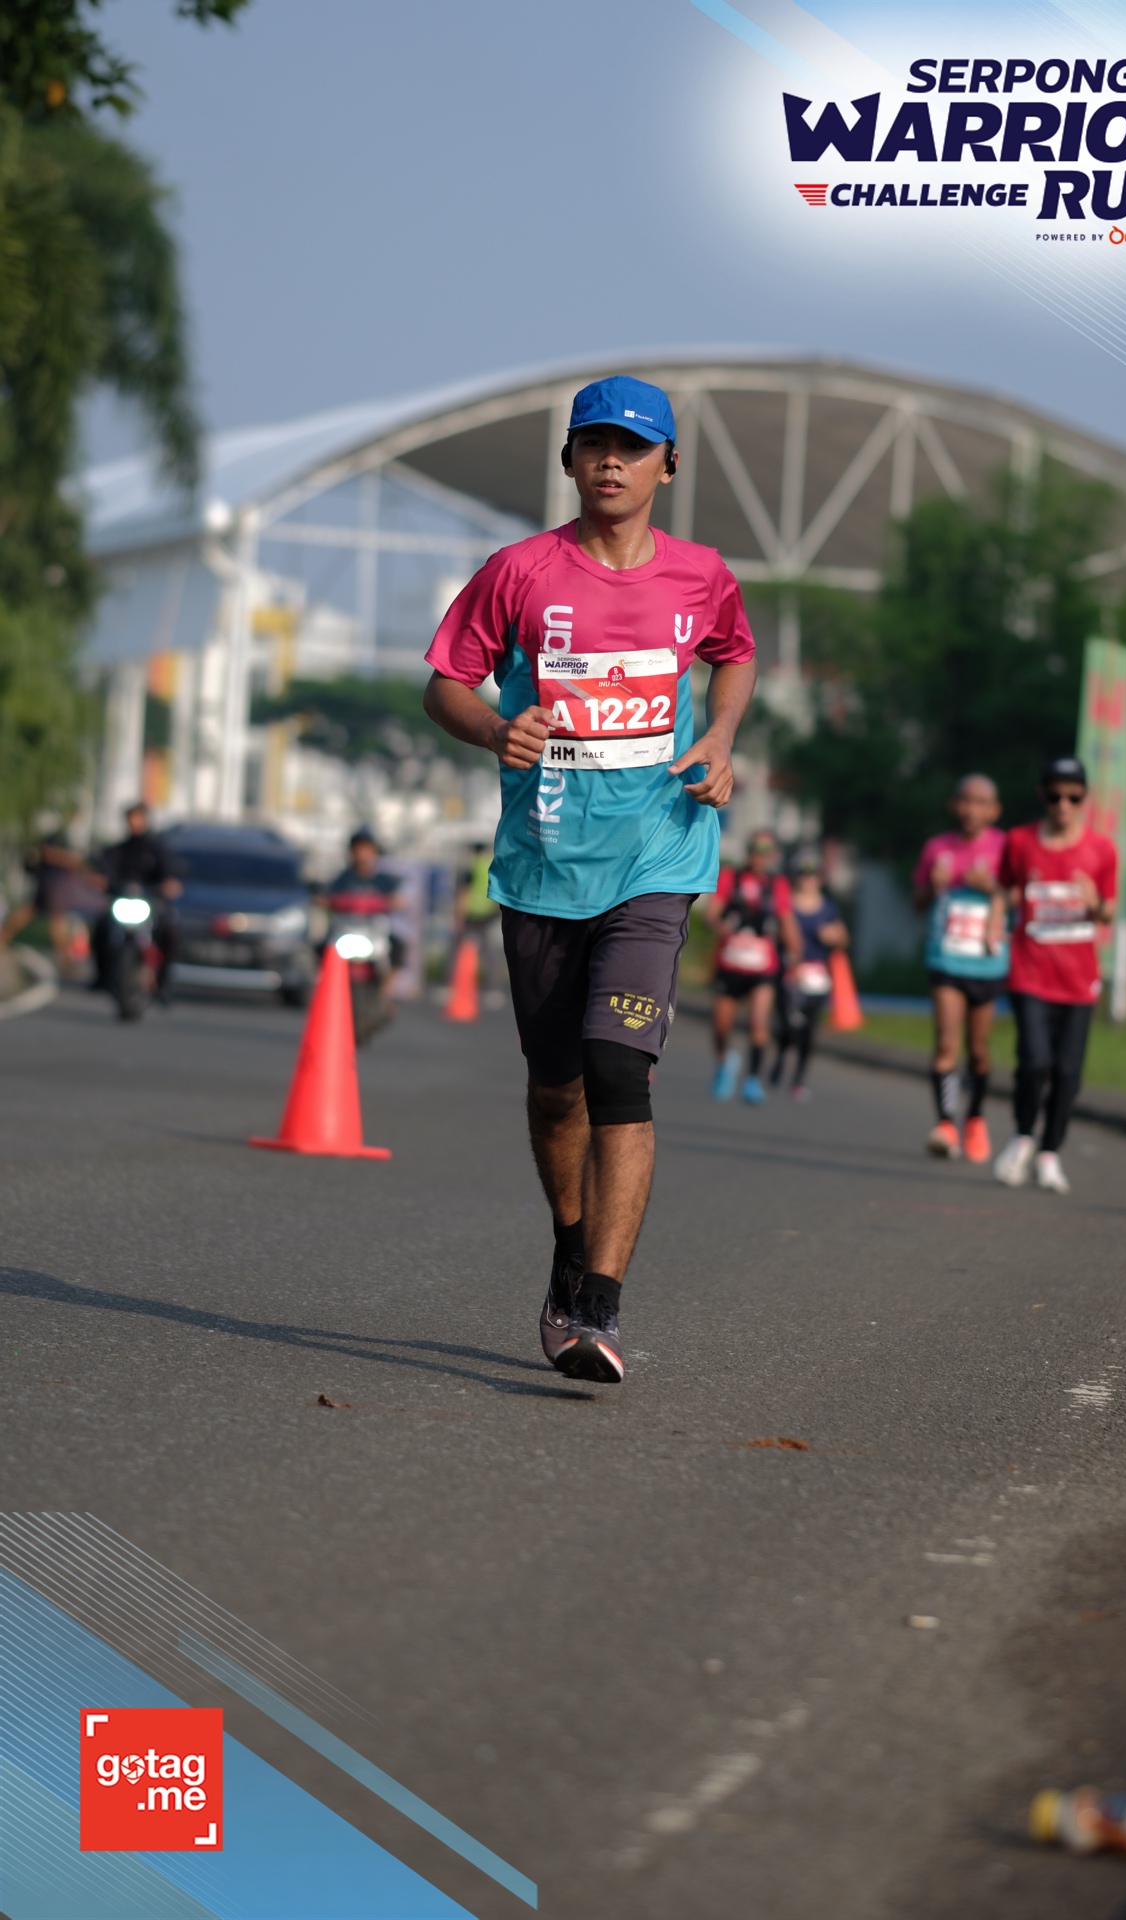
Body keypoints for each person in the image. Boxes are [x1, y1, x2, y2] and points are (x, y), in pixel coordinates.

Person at [423, 374, 756, 1384]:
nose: (612, 461)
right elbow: (444, 685)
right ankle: (570, 1247)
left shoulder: (700, 576)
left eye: (633, 446)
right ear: (569, 461)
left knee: (618, 1069)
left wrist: (721, 736)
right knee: (555, 1087)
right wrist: (496, 729)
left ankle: (597, 1310)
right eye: (594, 444)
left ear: (668, 465)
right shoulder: (518, 573)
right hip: (542, 864)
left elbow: (734, 654)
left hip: (658, 855)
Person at [993, 756, 1117, 1194]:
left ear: (1084, 799)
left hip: (1078, 980)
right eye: (1054, 795)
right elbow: (1004, 888)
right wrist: (993, 922)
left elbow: (1109, 911)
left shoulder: (1101, 850)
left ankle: (1050, 1153)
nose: (1063, 804)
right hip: (1029, 971)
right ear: (1041, 795)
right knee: (1034, 1061)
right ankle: (1022, 1136)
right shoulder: (1019, 841)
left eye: (1073, 797)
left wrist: (1094, 902)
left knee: (1067, 1073)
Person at [912, 775, 1008, 1163]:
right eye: (966, 800)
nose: (972, 809)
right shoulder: (937, 848)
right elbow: (916, 903)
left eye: (981, 802)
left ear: (994, 810)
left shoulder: (1005, 848)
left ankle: (975, 1118)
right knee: (946, 1044)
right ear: (955, 805)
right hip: (946, 959)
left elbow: (1017, 897)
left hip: (986, 963)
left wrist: (991, 889)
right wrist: (931, 887)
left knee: (979, 1051)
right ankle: (946, 1124)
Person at [703, 828, 802, 1104]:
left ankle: (753, 1078)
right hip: (731, 962)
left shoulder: (778, 885)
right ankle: (724, 1061)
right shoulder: (731, 877)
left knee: (759, 1021)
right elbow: (712, 913)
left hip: (762, 966)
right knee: (721, 1026)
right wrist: (721, 927)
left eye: (766, 851)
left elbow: (787, 922)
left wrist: (797, 957)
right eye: (755, 850)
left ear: (773, 855)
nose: (760, 856)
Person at [770, 848, 848, 1102]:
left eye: (812, 874)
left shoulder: (828, 907)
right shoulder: (786, 904)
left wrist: (833, 936)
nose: (808, 879)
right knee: (787, 1024)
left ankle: (799, 1079)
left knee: (808, 1029)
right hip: (789, 973)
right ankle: (781, 1056)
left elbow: (843, 937)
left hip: (816, 975)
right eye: (803, 874)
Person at [96, 803, 181, 997]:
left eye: (138, 818)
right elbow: (104, 869)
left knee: (170, 930)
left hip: (150, 904)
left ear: (145, 820)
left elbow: (170, 871)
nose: (134, 823)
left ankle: (164, 982)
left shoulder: (157, 849)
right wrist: (101, 880)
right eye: (131, 819)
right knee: (101, 927)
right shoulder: (119, 849)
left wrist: (170, 883)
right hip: (123, 902)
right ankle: (102, 977)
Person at [323, 828, 406, 1010]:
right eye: (359, 849)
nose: (363, 854)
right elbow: (325, 896)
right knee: (322, 947)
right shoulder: (343, 878)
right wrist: (326, 901)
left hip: (374, 931)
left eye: (367, 849)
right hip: (346, 930)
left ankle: (385, 993)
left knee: (398, 947)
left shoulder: (382, 880)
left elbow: (399, 900)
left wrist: (395, 902)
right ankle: (323, 988)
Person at [0, 827, 94, 970]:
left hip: (52, 884)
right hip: (52, 884)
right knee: (55, 918)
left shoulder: (62, 837)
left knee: (32, 911)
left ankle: (3, 937)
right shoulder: (57, 839)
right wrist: (73, 861)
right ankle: (64, 957)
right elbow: (49, 853)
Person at [454, 842, 504, 997]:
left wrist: (458, 915)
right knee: (490, 952)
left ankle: (454, 986)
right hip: (488, 912)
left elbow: (464, 892)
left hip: (471, 912)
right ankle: (494, 988)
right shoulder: (489, 864)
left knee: (457, 948)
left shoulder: (471, 866)